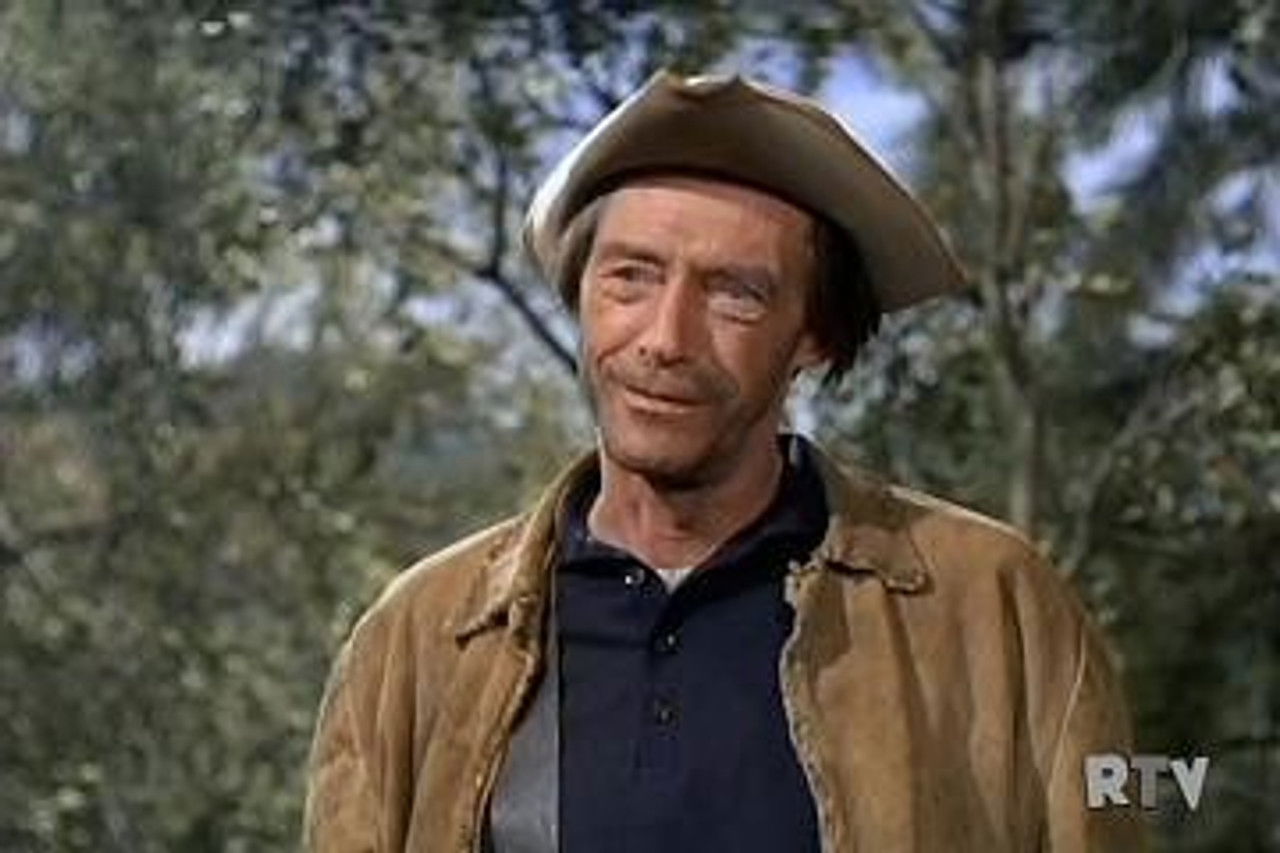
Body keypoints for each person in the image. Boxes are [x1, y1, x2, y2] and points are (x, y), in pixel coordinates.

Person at [304, 71, 1143, 852]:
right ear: (581, 295)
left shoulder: (993, 603)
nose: (666, 339)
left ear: (814, 335)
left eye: (734, 292)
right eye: (631, 277)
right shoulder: (419, 636)